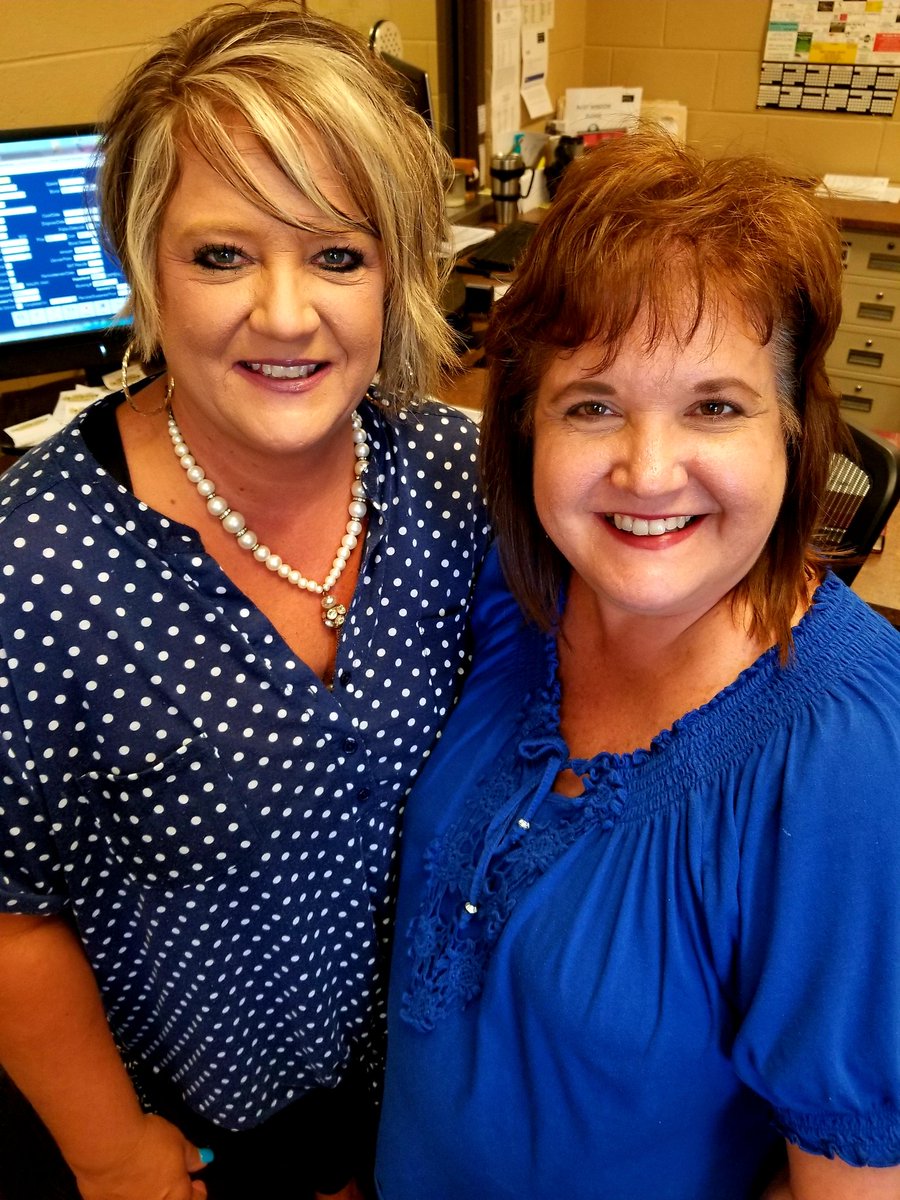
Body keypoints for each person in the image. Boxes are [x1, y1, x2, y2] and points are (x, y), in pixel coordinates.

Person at [0, 5, 490, 1199]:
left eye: (338, 254)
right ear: (142, 265)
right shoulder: (42, 564)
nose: (285, 313)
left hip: (430, 1089)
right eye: (221, 255)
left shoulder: (450, 479)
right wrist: (112, 1152)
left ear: (400, 272)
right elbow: (7, 910)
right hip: (198, 1134)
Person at [375, 131, 900, 1199]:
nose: (649, 471)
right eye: (594, 404)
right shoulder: (514, 599)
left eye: (715, 405)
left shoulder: (843, 756)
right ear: (525, 427)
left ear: (795, 430)